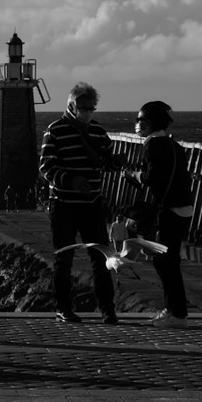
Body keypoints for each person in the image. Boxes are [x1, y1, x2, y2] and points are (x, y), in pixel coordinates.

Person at [39, 81, 122, 325]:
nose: (88, 112)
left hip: (92, 204)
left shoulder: (97, 131)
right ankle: (63, 308)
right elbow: (46, 167)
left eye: (92, 108)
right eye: (84, 107)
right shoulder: (54, 131)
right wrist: (71, 180)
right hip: (63, 204)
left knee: (102, 258)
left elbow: (105, 162)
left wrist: (115, 162)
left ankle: (108, 310)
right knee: (64, 259)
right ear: (72, 106)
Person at [130, 100, 195, 328]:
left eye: (142, 121)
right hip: (183, 208)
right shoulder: (173, 145)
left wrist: (136, 176)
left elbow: (153, 177)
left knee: (165, 263)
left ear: (152, 123)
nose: (138, 124)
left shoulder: (153, 145)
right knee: (168, 261)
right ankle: (173, 311)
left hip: (169, 210)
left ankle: (177, 315)